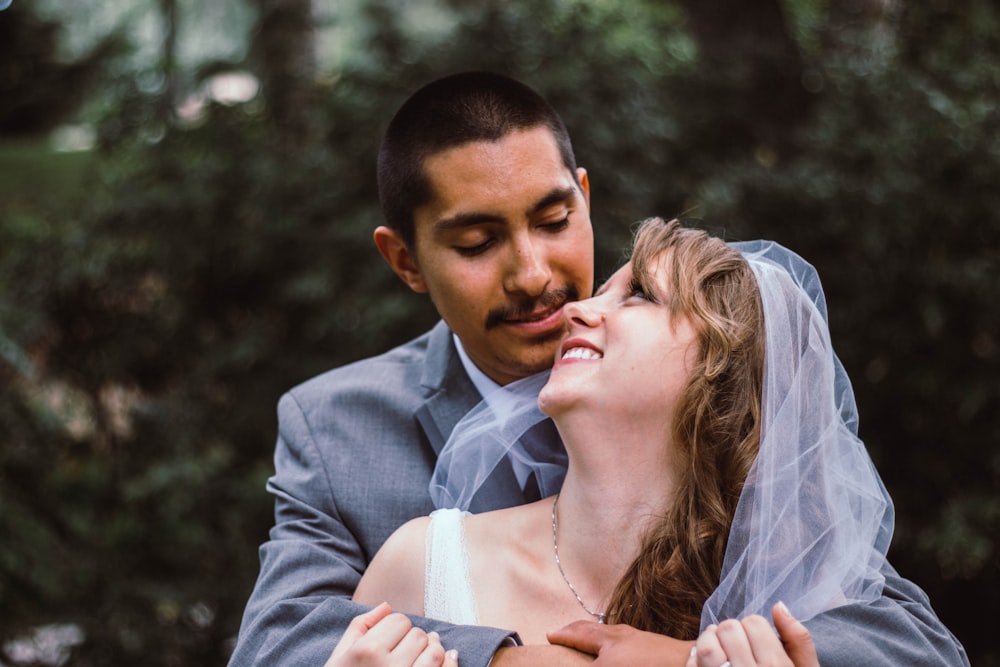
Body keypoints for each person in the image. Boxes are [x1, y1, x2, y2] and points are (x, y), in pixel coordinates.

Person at [228, 71, 969, 667]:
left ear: (585, 198)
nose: (533, 273)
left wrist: (686, 660)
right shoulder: (337, 428)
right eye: (479, 242)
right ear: (405, 261)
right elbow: (279, 643)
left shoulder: (711, 412)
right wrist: (511, 658)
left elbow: (908, 635)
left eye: (554, 222)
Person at [332, 217, 965, 667]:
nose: (581, 308)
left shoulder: (789, 590)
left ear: (722, 371)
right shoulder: (425, 561)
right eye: (603, 289)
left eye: (637, 295)